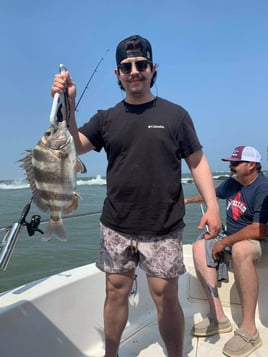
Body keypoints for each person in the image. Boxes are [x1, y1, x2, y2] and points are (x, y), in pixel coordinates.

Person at [51, 35, 221, 357]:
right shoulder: (106, 118)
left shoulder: (176, 116)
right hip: (116, 225)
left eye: (141, 64)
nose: (134, 71)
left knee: (164, 298)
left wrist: (212, 205)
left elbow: (196, 161)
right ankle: (110, 354)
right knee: (115, 292)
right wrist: (67, 102)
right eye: (126, 66)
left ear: (152, 69)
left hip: (164, 226)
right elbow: (74, 144)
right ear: (117, 74)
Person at [185, 145, 268, 357]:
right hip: (234, 238)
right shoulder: (232, 183)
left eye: (234, 163)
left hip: (260, 241)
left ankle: (249, 330)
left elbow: (259, 229)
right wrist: (186, 200)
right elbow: (211, 195)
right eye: (229, 163)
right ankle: (218, 318)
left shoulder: (263, 188)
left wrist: (223, 243)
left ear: (250, 166)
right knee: (199, 245)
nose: (230, 166)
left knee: (240, 249)